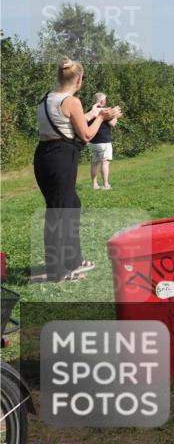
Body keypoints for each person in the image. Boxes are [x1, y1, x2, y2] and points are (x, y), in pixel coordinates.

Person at [35, 58, 121, 282]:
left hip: (45, 156)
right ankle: (57, 270)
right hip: (61, 159)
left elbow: (68, 122)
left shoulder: (47, 97)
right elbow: (86, 135)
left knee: (72, 204)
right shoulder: (72, 101)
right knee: (58, 213)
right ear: (79, 80)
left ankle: (73, 258)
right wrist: (102, 117)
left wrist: (93, 113)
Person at [88, 92, 119, 190]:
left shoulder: (90, 110)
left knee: (94, 163)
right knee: (105, 162)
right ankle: (106, 185)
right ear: (102, 101)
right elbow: (113, 123)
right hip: (104, 141)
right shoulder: (104, 111)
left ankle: (94, 185)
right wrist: (116, 116)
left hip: (93, 142)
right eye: (105, 100)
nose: (106, 101)